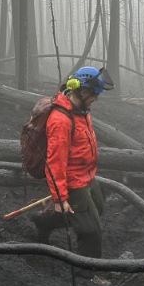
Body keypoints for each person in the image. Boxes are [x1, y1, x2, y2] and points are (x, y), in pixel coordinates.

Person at [32, 66, 114, 258]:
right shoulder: (61, 120)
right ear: (81, 90)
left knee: (98, 208)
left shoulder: (83, 111)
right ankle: (87, 270)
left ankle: (44, 222)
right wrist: (60, 198)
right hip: (72, 181)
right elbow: (55, 163)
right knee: (91, 231)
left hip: (87, 175)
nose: (96, 98)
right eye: (94, 93)